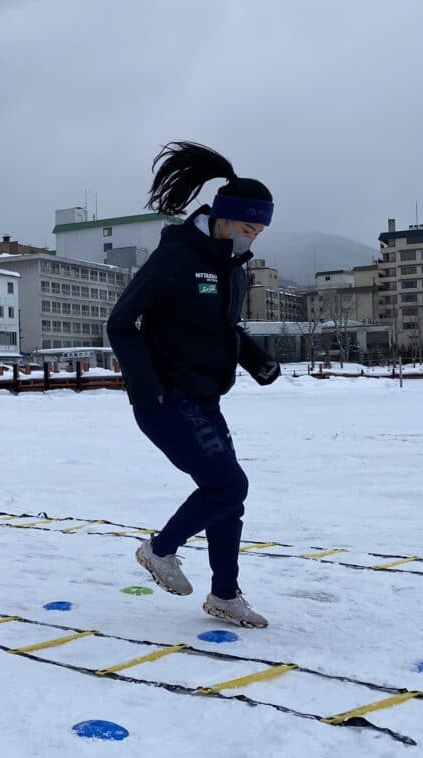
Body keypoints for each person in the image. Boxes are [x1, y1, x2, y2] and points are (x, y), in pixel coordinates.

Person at [106, 141, 282, 629]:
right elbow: (122, 322)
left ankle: (225, 595)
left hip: (205, 397)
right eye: (248, 228)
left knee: (227, 495)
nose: (253, 239)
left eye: (260, 231)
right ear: (223, 218)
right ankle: (159, 550)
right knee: (229, 484)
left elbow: (221, 328)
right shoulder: (177, 259)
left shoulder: (233, 267)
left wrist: (256, 359)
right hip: (166, 399)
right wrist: (146, 387)